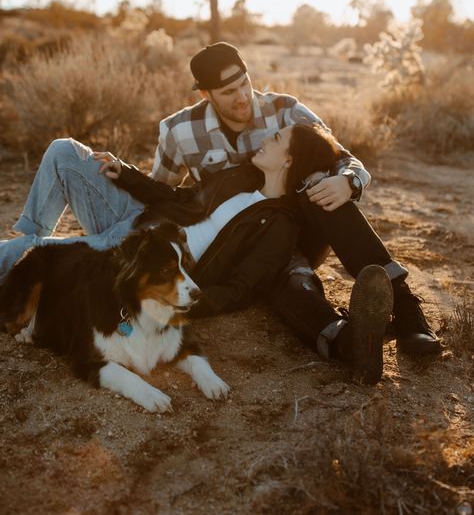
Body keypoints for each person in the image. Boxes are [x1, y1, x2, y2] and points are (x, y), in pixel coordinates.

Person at [0, 121, 394, 384]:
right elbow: (183, 198)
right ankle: (30, 248)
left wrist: (180, 305)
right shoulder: (242, 175)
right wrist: (129, 174)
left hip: (130, 256)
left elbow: (241, 287)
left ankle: (26, 260)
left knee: (24, 255)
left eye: (275, 140)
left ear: (288, 160)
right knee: (65, 151)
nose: (264, 140)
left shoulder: (279, 227)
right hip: (139, 220)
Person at [144, 41, 441, 358]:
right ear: (206, 95)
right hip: (244, 249)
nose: (242, 96)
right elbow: (159, 193)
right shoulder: (180, 131)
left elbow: (342, 157)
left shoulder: (286, 111)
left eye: (244, 83)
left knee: (324, 190)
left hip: (303, 226)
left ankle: (407, 309)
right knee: (286, 278)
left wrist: (349, 180)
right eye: (228, 92)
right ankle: (346, 342)